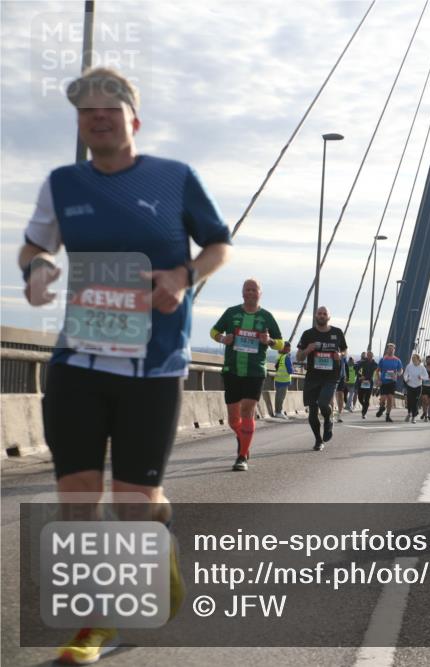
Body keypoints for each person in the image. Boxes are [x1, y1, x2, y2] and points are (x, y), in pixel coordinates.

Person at [18, 66, 232, 664]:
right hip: (78, 362)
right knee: (77, 499)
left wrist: (184, 276)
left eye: (109, 109)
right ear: (79, 124)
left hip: (153, 368)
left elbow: (219, 243)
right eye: (86, 111)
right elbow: (35, 244)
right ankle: (93, 622)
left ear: (133, 119)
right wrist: (36, 268)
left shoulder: (174, 179)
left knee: (136, 501)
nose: (98, 118)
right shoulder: (63, 183)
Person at [212, 278, 283, 471]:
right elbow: (214, 331)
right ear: (242, 293)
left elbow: (281, 343)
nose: (251, 293)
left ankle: (242, 456)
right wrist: (222, 338)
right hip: (232, 369)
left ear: (260, 293)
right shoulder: (231, 312)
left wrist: (269, 341)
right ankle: (243, 438)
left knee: (247, 411)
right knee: (233, 420)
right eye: (247, 289)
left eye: (254, 290)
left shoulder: (266, 317)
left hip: (255, 371)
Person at [296, 306, 347, 451]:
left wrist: (340, 355)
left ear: (329, 317)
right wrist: (308, 349)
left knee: (324, 403)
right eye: (319, 313)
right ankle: (318, 440)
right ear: (315, 316)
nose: (322, 316)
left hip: (331, 376)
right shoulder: (308, 334)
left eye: (325, 314)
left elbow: (344, 349)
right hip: (313, 377)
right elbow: (299, 357)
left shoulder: (337, 332)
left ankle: (328, 419)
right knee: (312, 412)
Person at [375, 343, 404, 422]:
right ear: (387, 350)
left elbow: (401, 370)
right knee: (383, 398)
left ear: (394, 350)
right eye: (389, 349)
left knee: (390, 399)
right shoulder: (383, 359)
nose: (391, 350)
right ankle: (381, 408)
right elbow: (377, 371)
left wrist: (399, 373)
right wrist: (378, 380)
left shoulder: (397, 360)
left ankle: (387, 415)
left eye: (392, 349)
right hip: (384, 381)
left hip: (392, 382)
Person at [403, 353, 428, 423]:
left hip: (418, 387)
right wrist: (406, 379)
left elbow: (426, 377)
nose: (413, 359)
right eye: (412, 358)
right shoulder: (409, 366)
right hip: (410, 386)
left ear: (418, 359)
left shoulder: (422, 367)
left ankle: (413, 417)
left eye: (414, 358)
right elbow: (405, 374)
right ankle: (409, 413)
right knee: (409, 401)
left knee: (415, 401)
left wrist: (421, 377)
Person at [355, 351, 378, 419]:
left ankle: (364, 413)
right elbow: (356, 368)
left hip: (369, 382)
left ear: (372, 356)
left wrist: (365, 377)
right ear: (367, 356)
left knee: (367, 399)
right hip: (362, 382)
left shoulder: (375, 364)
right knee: (360, 398)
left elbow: (375, 372)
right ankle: (365, 406)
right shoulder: (362, 362)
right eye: (368, 355)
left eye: (371, 356)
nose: (369, 357)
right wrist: (360, 376)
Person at [274, 341, 293, 418]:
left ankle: (277, 411)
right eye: (289, 347)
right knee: (281, 397)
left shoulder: (279, 356)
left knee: (278, 396)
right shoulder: (286, 357)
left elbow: (276, 366)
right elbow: (290, 370)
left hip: (278, 379)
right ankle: (279, 412)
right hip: (284, 380)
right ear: (287, 348)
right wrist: (293, 369)